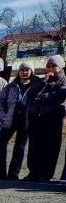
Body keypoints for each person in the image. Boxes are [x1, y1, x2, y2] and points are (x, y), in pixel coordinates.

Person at [0, 62, 42, 180]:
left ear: (31, 71)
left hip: (26, 120)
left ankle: (13, 174)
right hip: (10, 118)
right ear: (18, 72)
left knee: (20, 147)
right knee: (0, 144)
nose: (24, 72)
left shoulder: (37, 85)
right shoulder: (11, 86)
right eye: (22, 70)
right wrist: (2, 116)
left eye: (27, 70)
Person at [26, 55, 66, 183]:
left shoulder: (63, 80)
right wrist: (44, 82)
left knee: (51, 146)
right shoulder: (41, 81)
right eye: (48, 66)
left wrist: (43, 96)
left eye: (54, 66)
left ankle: (46, 173)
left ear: (60, 67)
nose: (51, 68)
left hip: (53, 117)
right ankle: (33, 172)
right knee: (35, 146)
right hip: (37, 117)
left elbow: (60, 96)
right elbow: (31, 94)